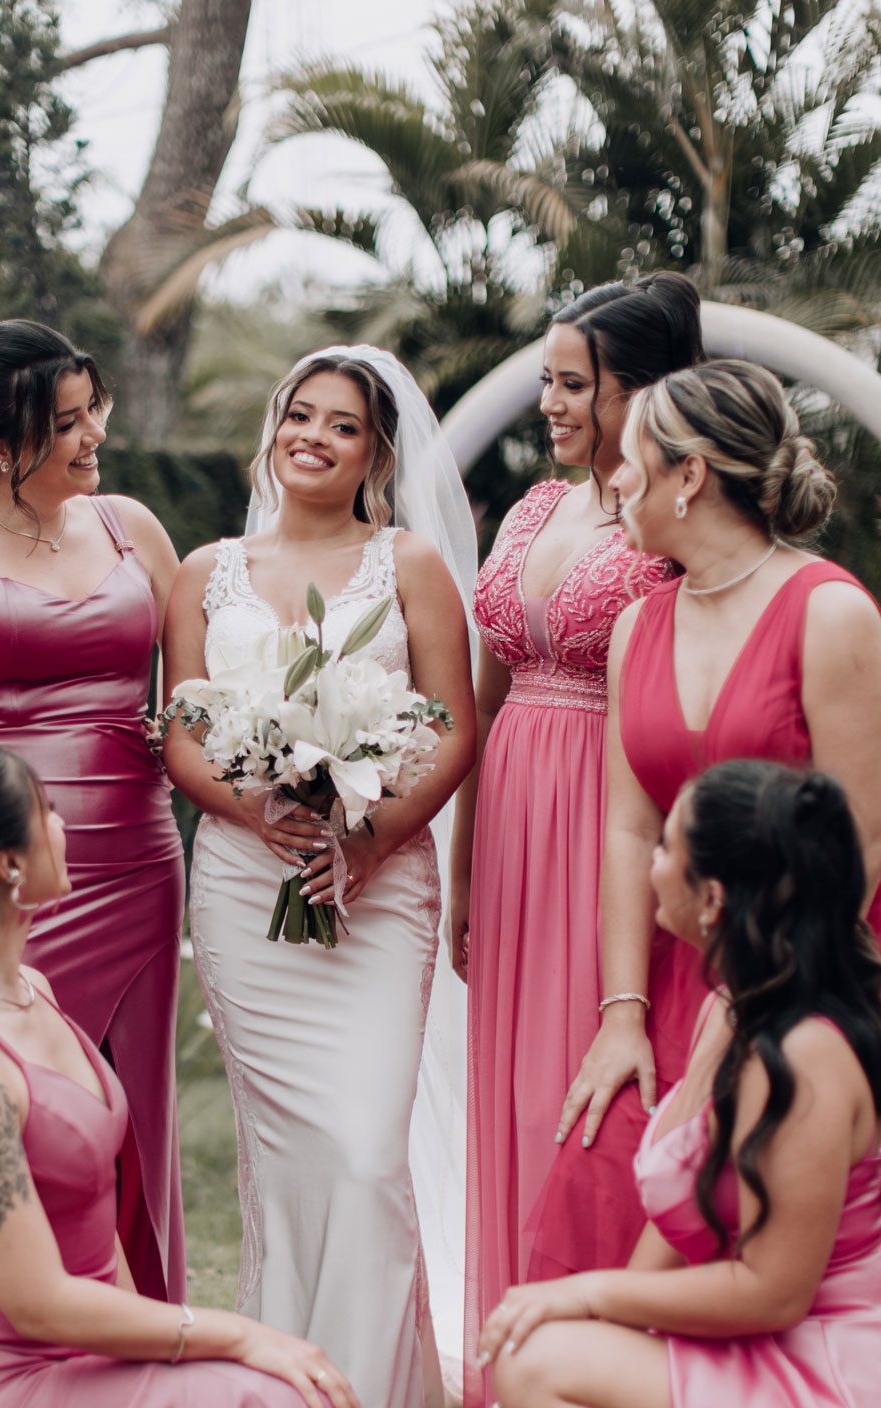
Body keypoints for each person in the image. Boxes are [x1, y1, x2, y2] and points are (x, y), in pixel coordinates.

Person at [523, 358, 881, 1310]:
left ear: (688, 476)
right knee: (601, 1173)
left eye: (633, 457)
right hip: (672, 967)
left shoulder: (834, 613)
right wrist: (622, 1012)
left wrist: (759, 1008)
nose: (617, 477)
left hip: (798, 975)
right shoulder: (639, 623)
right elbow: (626, 827)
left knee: (752, 1241)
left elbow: (864, 848)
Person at [0, 738, 357, 1408]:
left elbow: (91, 1227)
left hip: (89, 1353)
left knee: (279, 1388)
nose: (63, 827)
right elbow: (38, 1305)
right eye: (47, 812)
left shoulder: (33, 990)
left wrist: (172, 1363)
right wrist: (236, 1336)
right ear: (9, 865)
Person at [163, 345, 477, 1408]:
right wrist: (258, 810)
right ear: (274, 427)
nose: (313, 437)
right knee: (291, 1160)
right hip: (252, 892)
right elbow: (184, 734)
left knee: (363, 1153)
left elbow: (452, 727)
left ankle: (371, 1390)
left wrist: (371, 839)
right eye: (301, 415)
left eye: (342, 425)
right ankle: (282, 1382)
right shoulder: (206, 573)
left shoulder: (412, 565)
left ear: (376, 452)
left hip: (381, 892)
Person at [453, 271, 705, 1390]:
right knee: (509, 1093)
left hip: (613, 822)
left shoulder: (677, 523)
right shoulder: (532, 509)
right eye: (546, 381)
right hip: (508, 827)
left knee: (585, 1096)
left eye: (571, 384)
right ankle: (513, 1351)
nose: (549, 404)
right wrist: (461, 877)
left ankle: (597, 1355)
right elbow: (489, 694)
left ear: (639, 390)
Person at [0, 318, 186, 1302]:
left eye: (89, 410)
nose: (92, 434)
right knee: (26, 1099)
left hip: (140, 858)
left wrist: (194, 734)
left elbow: (191, 699)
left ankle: (148, 1322)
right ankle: (32, 1323)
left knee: (137, 1116)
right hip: (7, 862)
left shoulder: (132, 527)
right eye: (65, 423)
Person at [480, 759, 881, 1408]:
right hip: (762, 1341)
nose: (651, 859)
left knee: (537, 1363)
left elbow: (776, 1292)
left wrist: (587, 1293)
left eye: (666, 844)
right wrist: (601, 1321)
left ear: (713, 898)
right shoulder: (727, 1011)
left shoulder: (806, 1054)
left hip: (828, 1357)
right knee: (544, 1346)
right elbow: (678, 1223)